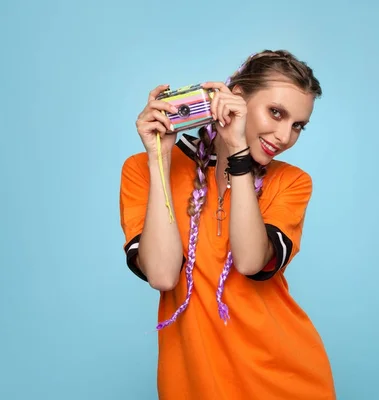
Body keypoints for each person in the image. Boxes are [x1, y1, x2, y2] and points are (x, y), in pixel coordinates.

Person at [119, 49, 336, 399]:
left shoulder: (293, 182)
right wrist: (158, 159)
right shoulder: (140, 170)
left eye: (297, 125)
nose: (284, 136)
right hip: (193, 383)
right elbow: (162, 275)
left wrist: (237, 153)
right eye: (276, 113)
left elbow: (250, 262)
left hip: (284, 379)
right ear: (235, 99)